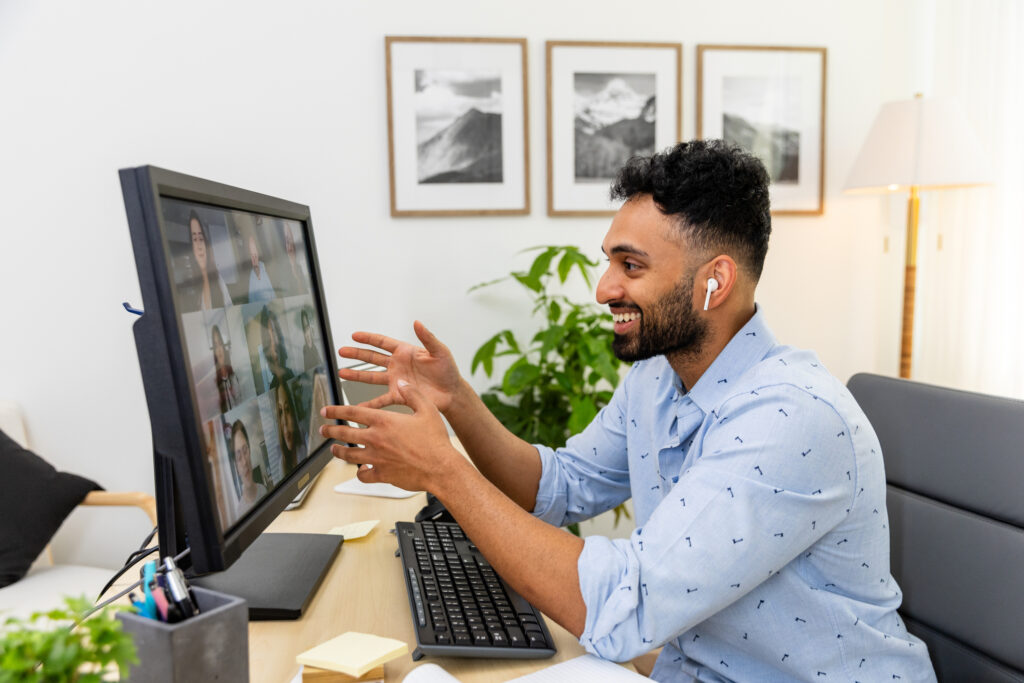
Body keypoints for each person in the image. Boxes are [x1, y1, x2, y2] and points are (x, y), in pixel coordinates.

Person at [320, 140, 937, 682]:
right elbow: (559, 487)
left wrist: (443, 471)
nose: (604, 289)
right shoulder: (658, 377)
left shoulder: (791, 417)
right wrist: (456, 400)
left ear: (715, 282)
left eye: (631, 266)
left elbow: (627, 602)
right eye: (610, 262)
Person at [189, 210, 232, 311]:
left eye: (201, 239)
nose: (199, 246)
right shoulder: (191, 286)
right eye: (195, 239)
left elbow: (231, 312)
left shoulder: (218, 280)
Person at [229, 419, 268, 511]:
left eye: (245, 450)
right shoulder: (240, 512)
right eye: (239, 457)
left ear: (249, 450)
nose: (244, 462)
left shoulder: (263, 490)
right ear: (236, 467)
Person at [274, 381, 307, 475]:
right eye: (280, 412)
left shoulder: (306, 447)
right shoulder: (281, 465)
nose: (284, 421)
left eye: (287, 409)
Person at [260, 306, 294, 389]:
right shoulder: (272, 387)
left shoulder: (290, 374)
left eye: (274, 333)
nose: (273, 343)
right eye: (268, 337)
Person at [211, 325, 241, 413]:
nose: (219, 350)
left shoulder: (234, 377)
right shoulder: (215, 385)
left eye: (220, 344)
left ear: (224, 347)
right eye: (216, 346)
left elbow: (240, 401)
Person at [247, 233, 275, 303]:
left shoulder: (265, 270)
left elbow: (272, 293)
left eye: (255, 255)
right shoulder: (251, 276)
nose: (254, 259)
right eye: (252, 256)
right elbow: (251, 300)